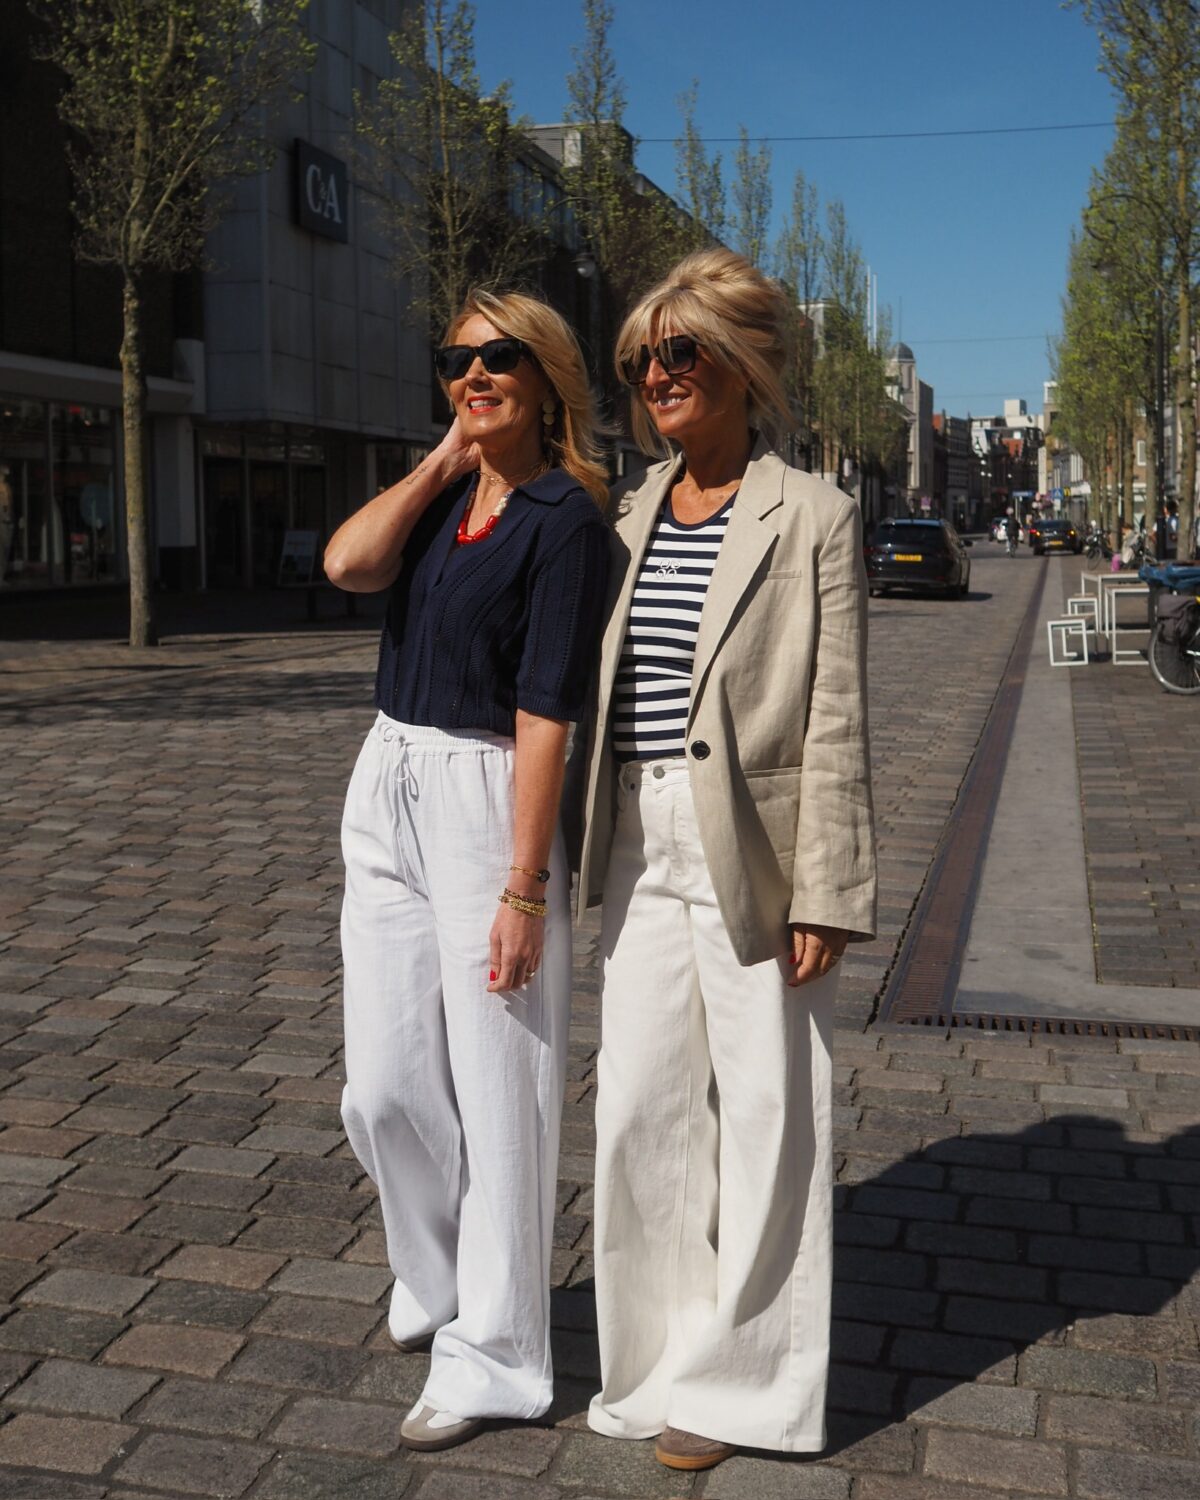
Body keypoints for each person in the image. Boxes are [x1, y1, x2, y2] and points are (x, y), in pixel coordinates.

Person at [574, 248, 877, 1472]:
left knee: (767, 1113)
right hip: (639, 836)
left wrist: (829, 889)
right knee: (639, 1110)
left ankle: (746, 1387)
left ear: (744, 366)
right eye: (642, 359)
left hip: (757, 846)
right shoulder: (626, 510)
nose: (656, 376)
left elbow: (837, 712)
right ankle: (654, 1365)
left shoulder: (813, 515)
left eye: (680, 352)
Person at [324, 290, 610, 1452]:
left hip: (486, 795)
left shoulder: (565, 520)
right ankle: (436, 1276)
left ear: (547, 378)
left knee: (502, 1094)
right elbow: (349, 563)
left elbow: (548, 711)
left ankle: (497, 1354)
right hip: (385, 777)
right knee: (381, 1085)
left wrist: (525, 885)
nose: (475, 374)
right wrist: (446, 458)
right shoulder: (447, 495)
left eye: (500, 357)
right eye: (456, 359)